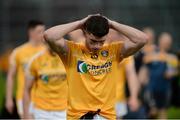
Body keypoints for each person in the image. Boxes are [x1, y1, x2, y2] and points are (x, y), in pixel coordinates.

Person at [44, 14, 148, 119]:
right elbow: (49, 35)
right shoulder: (72, 50)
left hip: (106, 116)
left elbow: (142, 39)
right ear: (85, 33)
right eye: (93, 41)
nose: (97, 46)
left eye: (101, 42)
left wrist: (112, 24)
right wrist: (80, 23)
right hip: (78, 116)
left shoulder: (114, 51)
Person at [5, 20, 45, 118]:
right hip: (23, 97)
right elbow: (11, 76)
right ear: (30, 32)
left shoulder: (46, 51)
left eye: (43, 31)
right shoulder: (18, 52)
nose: (42, 34)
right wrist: (9, 98)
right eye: (39, 31)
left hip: (43, 97)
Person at [23, 46, 67, 119]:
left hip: (64, 110)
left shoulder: (67, 57)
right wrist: (26, 116)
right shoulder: (35, 60)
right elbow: (26, 90)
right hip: (41, 111)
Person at [143, 32, 178, 118]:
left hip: (165, 89)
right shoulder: (152, 52)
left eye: (168, 43)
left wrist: (172, 73)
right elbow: (146, 59)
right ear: (160, 41)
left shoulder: (173, 56)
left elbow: (175, 70)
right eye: (165, 42)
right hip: (152, 89)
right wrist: (163, 57)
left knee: (163, 112)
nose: (166, 44)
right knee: (153, 112)